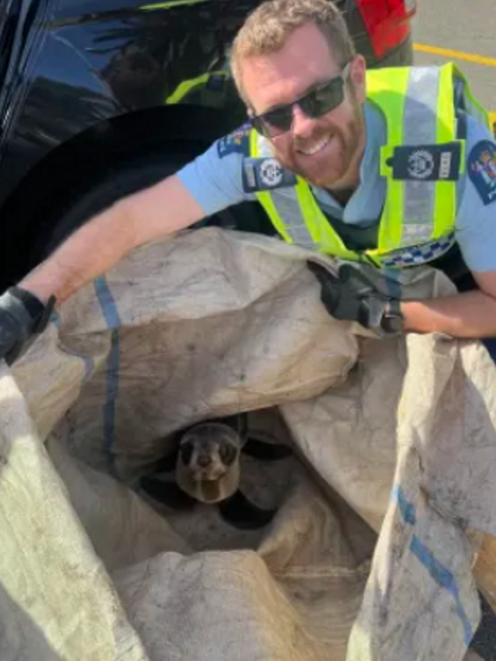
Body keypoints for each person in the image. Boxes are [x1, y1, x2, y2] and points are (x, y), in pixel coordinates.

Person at [1, 0, 496, 364]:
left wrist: (391, 314)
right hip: (354, 287)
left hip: (455, 282)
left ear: (358, 79)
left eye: (320, 96)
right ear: (253, 118)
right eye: (277, 115)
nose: (302, 127)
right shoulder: (251, 155)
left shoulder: (453, 148)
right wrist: (28, 300)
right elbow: (132, 220)